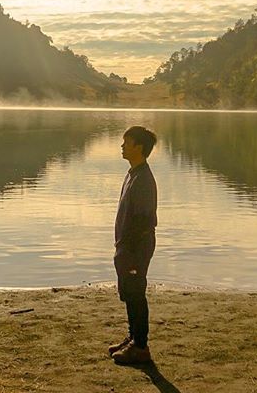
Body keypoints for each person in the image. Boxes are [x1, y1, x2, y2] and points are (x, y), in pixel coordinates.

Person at [108, 125, 158, 365]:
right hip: (127, 247)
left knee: (136, 293)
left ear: (138, 147)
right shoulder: (133, 173)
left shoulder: (144, 179)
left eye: (126, 142)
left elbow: (144, 221)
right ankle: (133, 337)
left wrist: (131, 252)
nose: (122, 146)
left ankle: (140, 347)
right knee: (129, 292)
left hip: (136, 248)